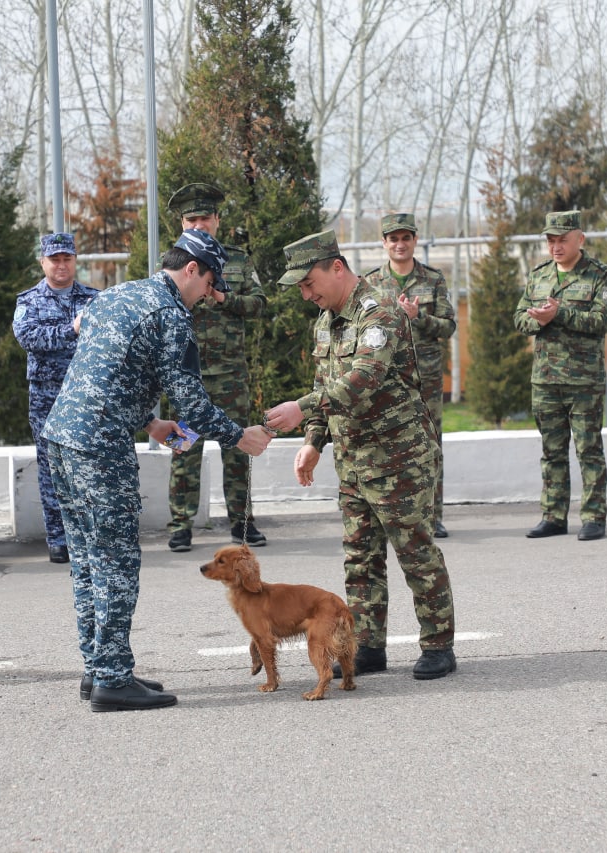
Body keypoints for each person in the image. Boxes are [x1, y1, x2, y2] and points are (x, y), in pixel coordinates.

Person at [43, 229, 274, 711]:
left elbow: (110, 368)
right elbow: (192, 399)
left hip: (62, 437)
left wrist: (150, 422)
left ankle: (102, 668)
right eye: (210, 285)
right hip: (99, 446)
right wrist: (239, 436)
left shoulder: (118, 294)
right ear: (192, 269)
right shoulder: (171, 314)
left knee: (87, 560)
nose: (210, 297)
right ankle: (110, 680)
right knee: (116, 562)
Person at [264, 229, 457, 681]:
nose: (307, 295)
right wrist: (313, 441)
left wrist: (302, 411)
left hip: (399, 458)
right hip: (353, 460)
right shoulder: (326, 322)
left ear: (337, 267)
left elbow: (362, 379)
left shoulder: (380, 312)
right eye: (302, 289)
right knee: (360, 558)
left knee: (416, 553)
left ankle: (438, 645)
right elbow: (322, 385)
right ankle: (367, 646)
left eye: (310, 283)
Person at [163, 184, 268, 552]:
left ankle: (242, 522)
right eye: (191, 219)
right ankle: (180, 525)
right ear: (181, 223)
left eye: (205, 218)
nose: (199, 225)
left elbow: (259, 304)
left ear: (217, 220)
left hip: (230, 377)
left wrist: (224, 297)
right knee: (183, 449)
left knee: (238, 450)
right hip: (185, 378)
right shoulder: (173, 263)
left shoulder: (237, 261)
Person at [513, 210, 607, 542]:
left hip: (584, 381)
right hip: (545, 380)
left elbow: (602, 320)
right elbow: (519, 318)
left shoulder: (599, 275)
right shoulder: (539, 276)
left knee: (588, 450)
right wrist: (538, 321)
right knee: (552, 452)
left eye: (563, 240)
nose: (556, 247)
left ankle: (594, 516)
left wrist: (561, 314)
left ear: (580, 239)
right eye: (551, 241)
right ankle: (554, 515)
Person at [363, 212, 456, 539]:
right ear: (385, 243)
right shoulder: (372, 282)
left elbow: (448, 326)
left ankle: (432, 515)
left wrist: (419, 318)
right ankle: (392, 516)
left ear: (415, 240)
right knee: (387, 447)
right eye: (393, 239)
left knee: (430, 447)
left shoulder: (433, 279)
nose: (399, 244)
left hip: (426, 380)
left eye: (406, 238)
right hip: (387, 381)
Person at [13, 232, 97, 564]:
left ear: (75, 260)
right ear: (43, 262)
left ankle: (88, 534)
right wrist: (71, 331)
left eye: (67, 259)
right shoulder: (29, 300)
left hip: (86, 395)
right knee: (51, 467)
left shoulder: (94, 298)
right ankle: (58, 538)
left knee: (87, 465)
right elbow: (29, 338)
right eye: (55, 259)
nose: (61, 265)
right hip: (46, 396)